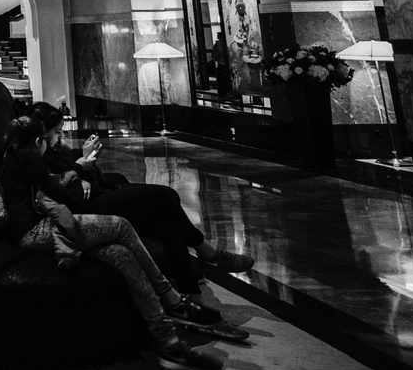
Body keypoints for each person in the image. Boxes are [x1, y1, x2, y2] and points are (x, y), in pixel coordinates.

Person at [0, 114, 230, 370]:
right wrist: (87, 209)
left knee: (121, 254)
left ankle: (169, 342)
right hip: (36, 231)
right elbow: (55, 190)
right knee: (120, 226)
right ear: (38, 140)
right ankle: (172, 299)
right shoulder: (26, 157)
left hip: (40, 228)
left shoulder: (15, 157)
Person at [31, 102, 253, 294]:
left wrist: (84, 157)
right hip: (87, 206)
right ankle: (207, 252)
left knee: (169, 225)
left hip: (98, 192)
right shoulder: (36, 155)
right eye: (57, 132)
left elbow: (76, 167)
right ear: (43, 133)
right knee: (165, 195)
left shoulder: (55, 148)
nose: (61, 136)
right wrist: (80, 170)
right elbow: (58, 186)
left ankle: (191, 295)